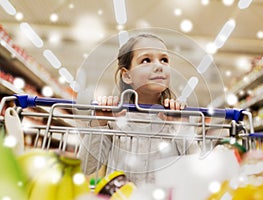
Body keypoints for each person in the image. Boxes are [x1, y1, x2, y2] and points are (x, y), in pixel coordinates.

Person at [78, 33, 200, 185]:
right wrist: (100, 123)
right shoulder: (114, 118)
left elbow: (196, 168)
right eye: (146, 60)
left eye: (164, 60)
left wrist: (180, 128)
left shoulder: (176, 117)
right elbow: (84, 167)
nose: (159, 66)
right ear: (127, 75)